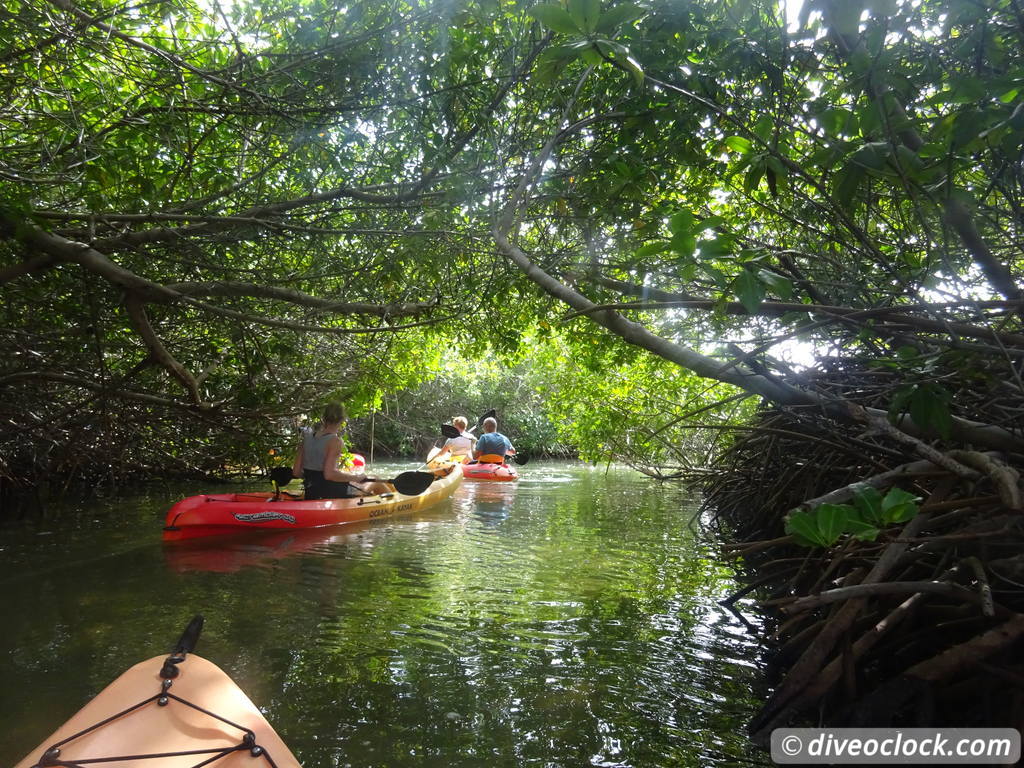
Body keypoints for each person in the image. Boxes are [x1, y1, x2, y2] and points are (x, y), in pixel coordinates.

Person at [291, 403, 388, 499]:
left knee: (355, 480)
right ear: (342, 420)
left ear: (324, 418)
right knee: (377, 481)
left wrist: (313, 480)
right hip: (333, 493)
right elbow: (329, 474)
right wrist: (356, 477)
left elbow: (296, 472)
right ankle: (397, 506)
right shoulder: (335, 441)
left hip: (312, 492)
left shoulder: (307, 438)